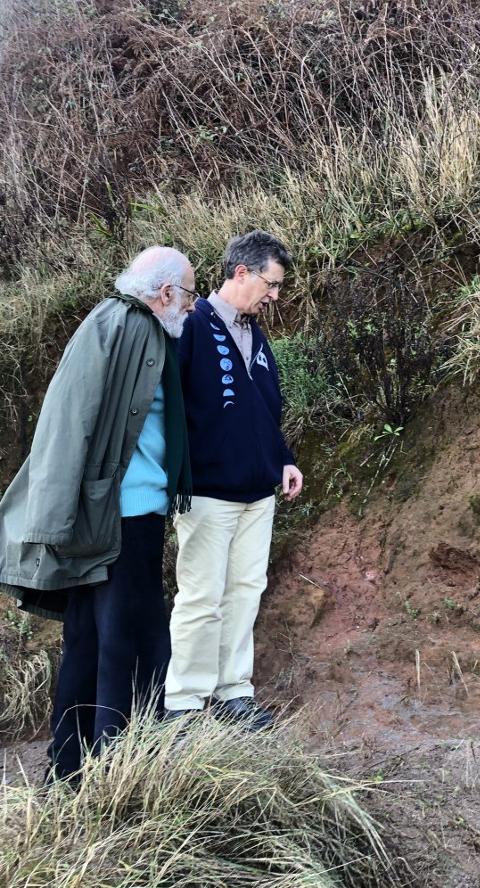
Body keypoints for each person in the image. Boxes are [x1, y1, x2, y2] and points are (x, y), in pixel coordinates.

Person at [0, 246, 196, 781]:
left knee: (91, 641)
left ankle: (70, 767)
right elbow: (69, 422)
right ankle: (121, 770)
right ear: (164, 292)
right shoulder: (134, 328)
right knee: (133, 646)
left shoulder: (114, 322)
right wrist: (54, 520)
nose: (192, 306)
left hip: (108, 515)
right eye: (189, 294)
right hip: (120, 519)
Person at [164, 230, 303, 729]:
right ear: (240, 272)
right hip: (205, 491)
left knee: (245, 590)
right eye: (271, 283)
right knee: (201, 596)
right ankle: (183, 702)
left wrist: (283, 458)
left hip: (257, 489)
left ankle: (232, 692)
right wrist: (175, 473)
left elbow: (266, 410)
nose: (275, 295)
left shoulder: (256, 335)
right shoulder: (191, 327)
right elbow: (169, 410)